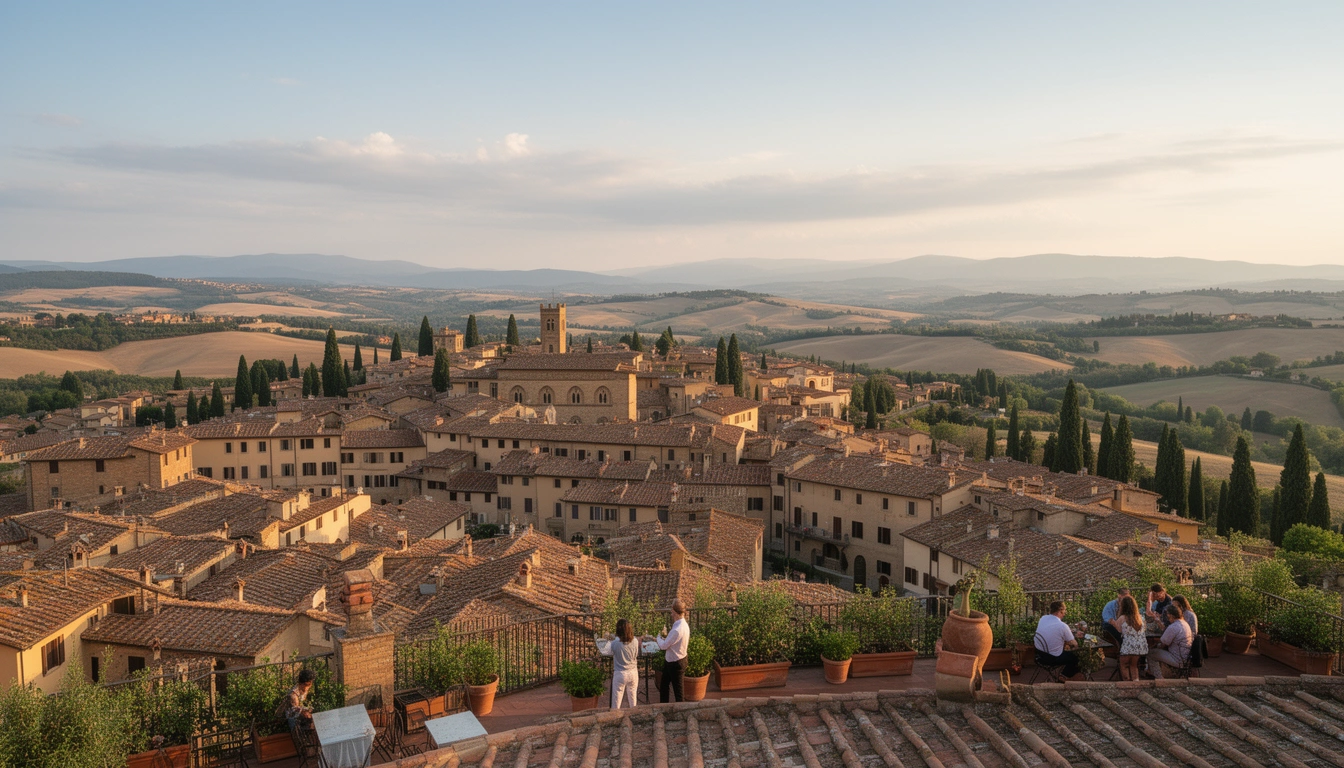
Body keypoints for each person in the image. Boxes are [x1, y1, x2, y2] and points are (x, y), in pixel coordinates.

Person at [650, 598, 689, 703]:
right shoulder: (683, 625)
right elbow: (671, 642)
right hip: (673, 660)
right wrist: (663, 639)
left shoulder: (677, 629)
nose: (671, 613)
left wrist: (658, 637)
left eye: (672, 611)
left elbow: (663, 646)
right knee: (663, 686)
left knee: (678, 693)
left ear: (675, 612)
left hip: (675, 663)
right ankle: (664, 708)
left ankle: (681, 714)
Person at [1033, 601, 1080, 679]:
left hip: (1039, 656)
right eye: (1064, 610)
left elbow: (1050, 632)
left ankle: (1062, 676)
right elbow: (1074, 643)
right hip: (1052, 658)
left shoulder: (1043, 618)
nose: (1065, 613)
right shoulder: (1062, 626)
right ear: (1061, 610)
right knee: (1076, 658)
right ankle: (1063, 676)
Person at [1147, 604, 1191, 679]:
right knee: (1157, 651)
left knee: (1151, 654)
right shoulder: (1185, 624)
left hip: (1178, 659)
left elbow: (1163, 643)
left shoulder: (1173, 627)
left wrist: (1153, 647)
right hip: (1186, 657)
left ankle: (1159, 678)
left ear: (1170, 615)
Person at [609, 618, 640, 710]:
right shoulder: (635, 641)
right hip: (633, 672)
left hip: (620, 673)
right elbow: (636, 654)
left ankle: (615, 719)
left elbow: (610, 652)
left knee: (616, 702)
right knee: (633, 699)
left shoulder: (615, 643)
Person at [1115, 595, 1147, 682]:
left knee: (1124, 665)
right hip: (1139, 647)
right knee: (1134, 665)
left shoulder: (1122, 618)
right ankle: (1136, 683)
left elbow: (1118, 630)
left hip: (1128, 646)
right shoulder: (1140, 618)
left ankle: (1127, 684)